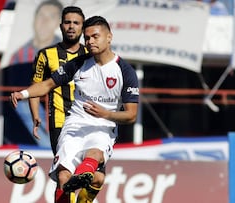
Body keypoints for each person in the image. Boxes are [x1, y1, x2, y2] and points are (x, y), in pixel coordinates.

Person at [10, 16, 139, 202]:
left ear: (109, 37)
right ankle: (80, 181)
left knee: (94, 156)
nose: (90, 42)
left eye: (95, 36)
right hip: (74, 125)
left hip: (103, 127)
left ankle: (82, 178)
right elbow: (47, 85)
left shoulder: (125, 71)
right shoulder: (79, 63)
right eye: (86, 38)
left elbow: (132, 115)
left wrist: (106, 114)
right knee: (64, 177)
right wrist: (23, 94)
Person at [29, 6, 106, 203]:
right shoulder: (46, 55)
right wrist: (35, 116)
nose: (71, 27)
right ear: (61, 25)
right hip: (60, 123)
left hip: (90, 123)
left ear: (82, 27)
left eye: (76, 23)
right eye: (67, 22)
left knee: (97, 177)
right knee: (64, 175)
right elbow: (37, 87)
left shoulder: (93, 56)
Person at [9, 0, 63, 65]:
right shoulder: (19, 55)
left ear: (59, 23)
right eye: (41, 15)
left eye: (52, 17)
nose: (45, 22)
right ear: (34, 19)